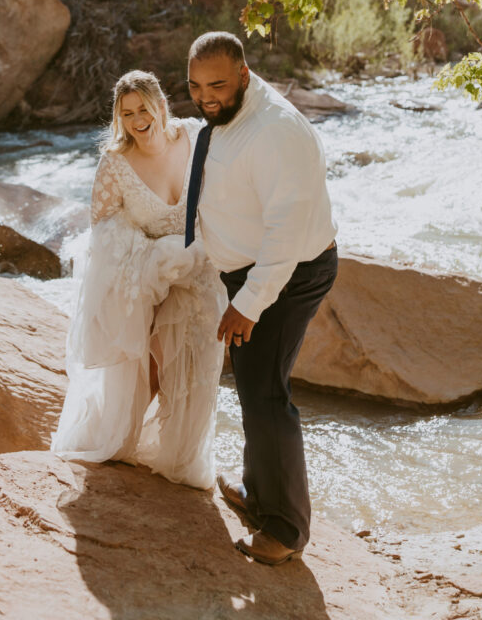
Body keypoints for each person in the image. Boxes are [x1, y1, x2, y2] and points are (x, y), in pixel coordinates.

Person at [185, 32, 338, 564]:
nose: (206, 97)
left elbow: (285, 236)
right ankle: (259, 494)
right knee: (253, 386)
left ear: (244, 75)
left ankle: (285, 530)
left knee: (267, 394)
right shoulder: (232, 115)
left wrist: (249, 302)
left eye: (218, 85)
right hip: (252, 271)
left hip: (285, 274)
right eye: (196, 85)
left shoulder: (276, 132)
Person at [52, 70, 226, 489]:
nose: (137, 121)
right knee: (148, 363)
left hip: (200, 267)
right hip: (147, 271)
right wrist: (153, 258)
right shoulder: (116, 163)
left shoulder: (194, 137)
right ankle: (120, 441)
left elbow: (224, 191)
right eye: (127, 114)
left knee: (194, 364)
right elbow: (103, 226)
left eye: (143, 109)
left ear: (161, 105)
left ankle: (179, 457)